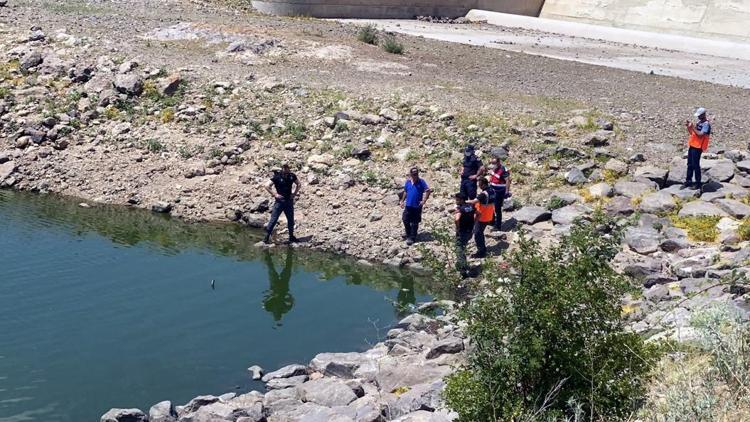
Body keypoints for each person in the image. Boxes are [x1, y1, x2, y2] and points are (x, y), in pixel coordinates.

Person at [264, 163, 301, 244]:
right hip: (279, 202)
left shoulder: (292, 176)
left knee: (290, 220)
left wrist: (294, 194)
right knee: (273, 219)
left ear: (288, 168)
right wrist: (274, 194)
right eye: (284, 167)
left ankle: (291, 236)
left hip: (289, 201)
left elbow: (298, 184)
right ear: (282, 168)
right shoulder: (277, 176)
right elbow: (266, 185)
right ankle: (266, 238)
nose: (286, 169)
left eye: (287, 167)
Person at [400, 167, 431, 246]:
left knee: (415, 222)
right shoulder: (408, 182)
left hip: (417, 206)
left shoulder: (421, 182)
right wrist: (402, 201)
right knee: (405, 219)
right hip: (408, 205)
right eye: (413, 174)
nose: (415, 175)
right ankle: (408, 233)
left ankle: (412, 237)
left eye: (416, 174)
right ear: (410, 174)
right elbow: (405, 192)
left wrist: (424, 200)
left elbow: (428, 190)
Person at [262, 249, 294, 326]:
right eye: (278, 314)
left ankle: (267, 254)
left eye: (276, 314)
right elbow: (292, 302)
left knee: (271, 268)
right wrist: (288, 295)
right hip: (283, 288)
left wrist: (270, 295)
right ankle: (290, 252)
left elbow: (263, 302)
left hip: (275, 287)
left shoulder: (270, 308)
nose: (277, 312)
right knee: (287, 267)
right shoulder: (284, 309)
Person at [682, 107, 712, 190]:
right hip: (693, 145)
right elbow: (693, 133)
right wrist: (689, 127)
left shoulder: (706, 124)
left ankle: (697, 183)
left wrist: (693, 127)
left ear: (703, 115)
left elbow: (700, 134)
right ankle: (688, 181)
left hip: (698, 147)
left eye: (699, 115)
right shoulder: (699, 122)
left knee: (696, 165)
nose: (698, 117)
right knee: (690, 164)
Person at [468, 178, 495, 258]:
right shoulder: (492, 191)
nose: (479, 187)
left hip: (482, 217)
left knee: (477, 234)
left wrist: (463, 202)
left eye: (480, 185)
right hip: (489, 215)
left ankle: (481, 252)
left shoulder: (484, 194)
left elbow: (473, 201)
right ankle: (482, 249)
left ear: (484, 184)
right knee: (479, 233)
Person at [454, 192, 475, 277]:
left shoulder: (461, 209)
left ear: (461, 200)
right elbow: (478, 214)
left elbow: (457, 219)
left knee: (459, 249)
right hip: (469, 231)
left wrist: (458, 227)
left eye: (457, 200)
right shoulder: (470, 207)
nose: (456, 201)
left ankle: (463, 271)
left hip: (462, 231)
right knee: (463, 248)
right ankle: (464, 265)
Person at [488, 156, 511, 232]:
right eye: (492, 163)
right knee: (490, 205)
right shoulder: (494, 168)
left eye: (494, 163)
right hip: (492, 188)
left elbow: (507, 180)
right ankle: (492, 220)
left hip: (499, 190)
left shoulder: (503, 169)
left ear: (498, 162)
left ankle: (498, 226)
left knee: (497, 208)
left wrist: (507, 191)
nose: (493, 164)